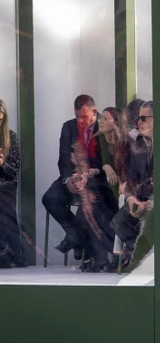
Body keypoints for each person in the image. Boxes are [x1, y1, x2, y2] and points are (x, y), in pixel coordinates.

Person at [42, 94, 103, 259]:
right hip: (73, 177)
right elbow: (63, 157)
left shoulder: (105, 125)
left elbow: (107, 159)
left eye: (84, 117)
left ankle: (78, 242)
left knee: (88, 201)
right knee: (50, 198)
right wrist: (68, 179)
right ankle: (76, 236)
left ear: (95, 112)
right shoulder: (68, 127)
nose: (80, 121)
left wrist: (87, 175)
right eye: (77, 117)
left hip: (96, 178)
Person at [113, 102, 156, 270]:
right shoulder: (138, 145)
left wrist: (148, 203)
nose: (139, 122)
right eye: (138, 118)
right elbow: (129, 177)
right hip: (140, 197)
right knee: (119, 221)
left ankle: (147, 258)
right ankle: (141, 255)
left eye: (143, 118)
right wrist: (131, 198)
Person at [0, 98, 25, 267]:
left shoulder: (11, 138)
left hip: (5, 184)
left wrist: (2, 163)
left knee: (5, 215)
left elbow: (14, 171)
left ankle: (12, 256)